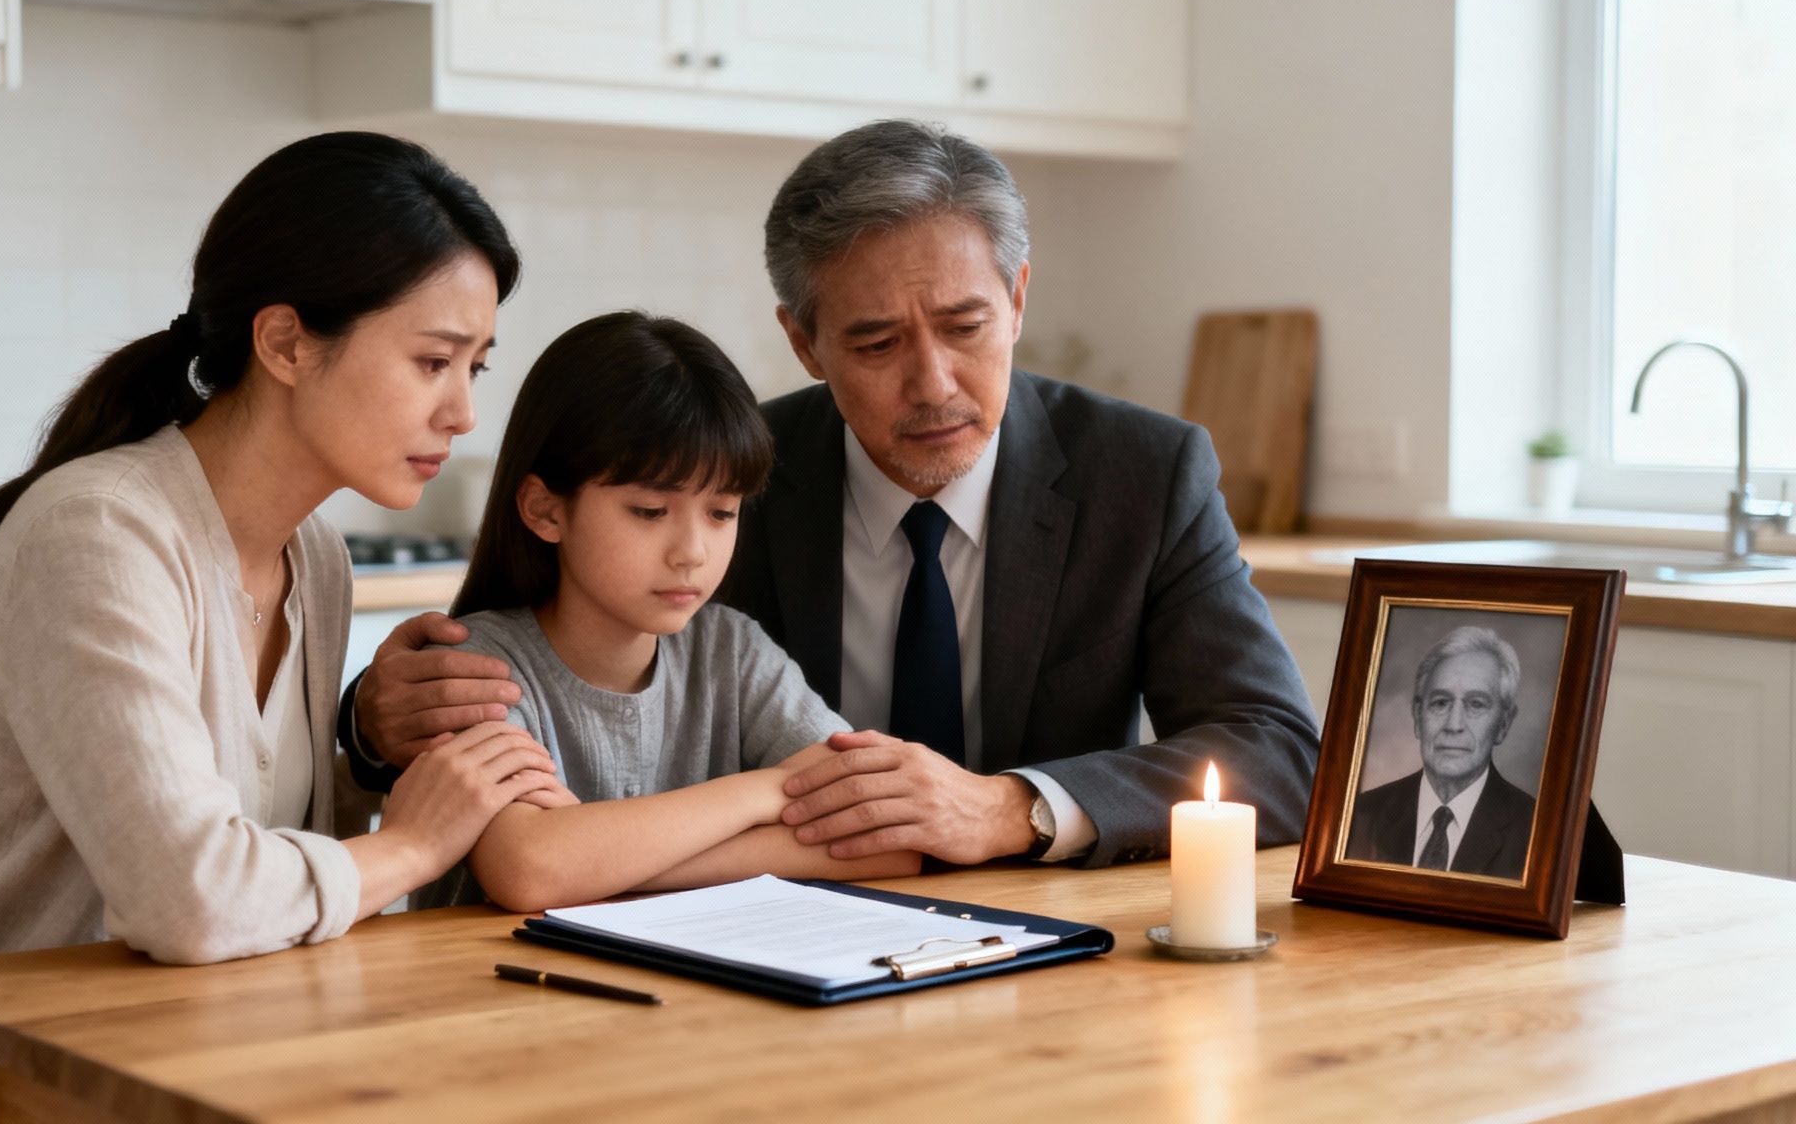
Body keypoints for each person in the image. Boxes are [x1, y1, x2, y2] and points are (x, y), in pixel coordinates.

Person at [0, 132, 558, 1124]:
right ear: (285, 341)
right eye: (431, 362)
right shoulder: (100, 532)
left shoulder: (311, 556)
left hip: (175, 1041)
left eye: (476, 368)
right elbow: (195, 900)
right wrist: (415, 845)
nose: (461, 411)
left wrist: (362, 746)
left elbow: (271, 877)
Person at [341, 119, 1320, 871]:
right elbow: (538, 700)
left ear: (1017, 299)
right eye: (875, 343)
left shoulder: (1142, 473)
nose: (932, 381)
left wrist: (1010, 807)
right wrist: (370, 722)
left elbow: (1277, 753)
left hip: (1049, 946)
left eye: (964, 324)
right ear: (803, 342)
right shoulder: (722, 480)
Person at [420, 311, 920, 911]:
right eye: (650, 512)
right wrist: (761, 794)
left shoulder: (731, 651)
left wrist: (605, 867)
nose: (693, 554)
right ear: (546, 511)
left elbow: (889, 839)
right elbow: (532, 867)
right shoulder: (473, 669)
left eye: (721, 513)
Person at [1344, 626, 1537, 878]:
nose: (1453, 725)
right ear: (1417, 715)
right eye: (1440, 703)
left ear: (1503, 724)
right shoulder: (1361, 816)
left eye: (1476, 704)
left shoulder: (1537, 832)